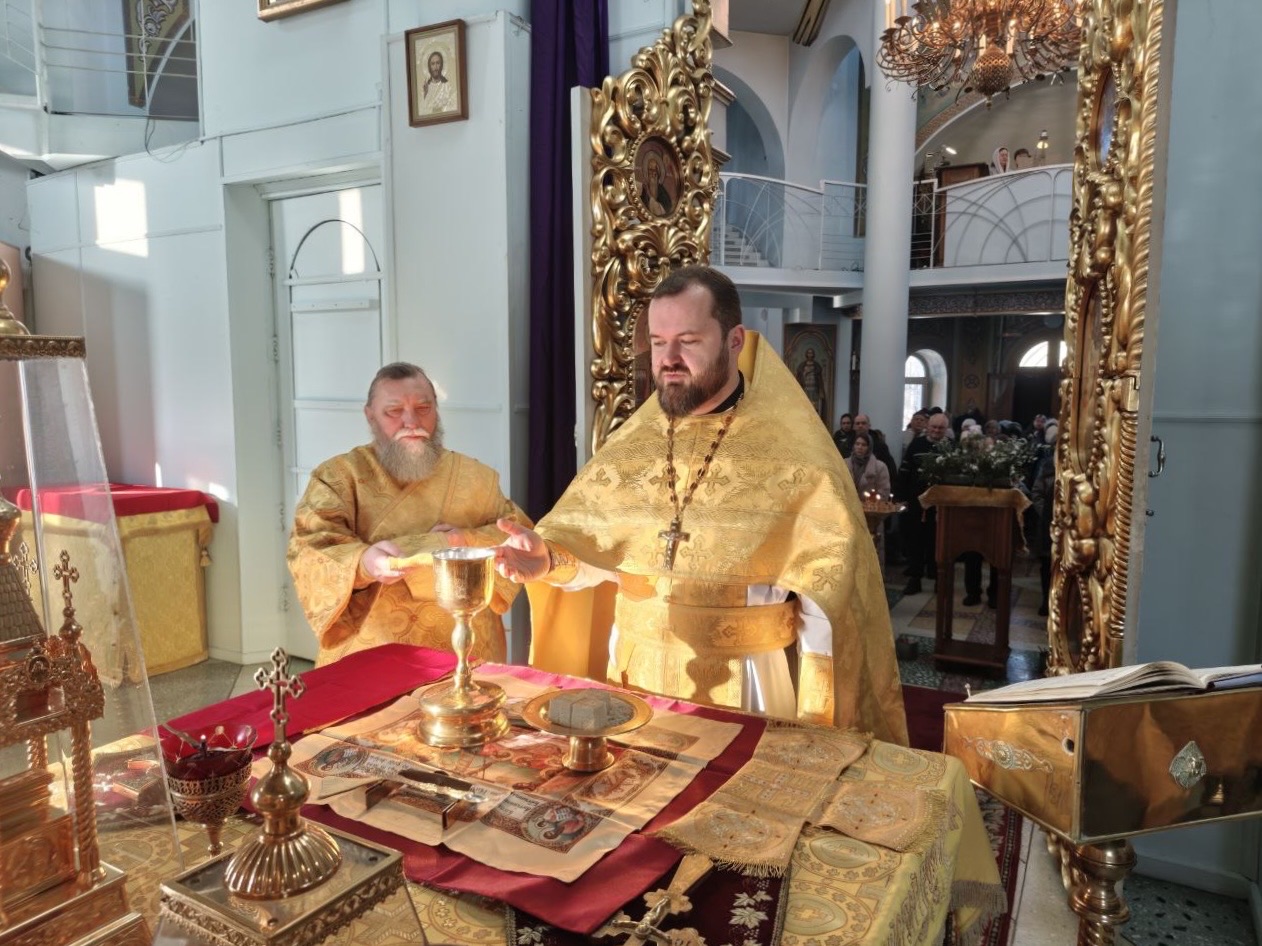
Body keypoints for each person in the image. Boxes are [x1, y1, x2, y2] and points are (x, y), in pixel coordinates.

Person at [494, 265, 908, 745]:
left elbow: (826, 601)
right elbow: (603, 556)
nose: (668, 359)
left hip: (747, 685)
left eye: (687, 341)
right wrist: (548, 559)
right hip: (631, 680)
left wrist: (817, 727)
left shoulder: (797, 457)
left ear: (734, 341)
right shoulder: (631, 447)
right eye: (658, 342)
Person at [288, 362, 531, 666]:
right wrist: (363, 563)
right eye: (394, 411)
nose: (411, 421)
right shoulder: (338, 477)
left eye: (423, 408)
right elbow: (309, 547)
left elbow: (520, 538)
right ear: (370, 415)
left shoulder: (475, 477)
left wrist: (463, 541)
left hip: (465, 646)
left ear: (436, 410)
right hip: (371, 650)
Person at [896, 411, 951, 595]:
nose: (936, 430)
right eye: (934, 427)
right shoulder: (917, 444)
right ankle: (915, 579)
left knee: (938, 542)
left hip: (941, 505)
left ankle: (938, 578)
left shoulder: (951, 447)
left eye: (941, 428)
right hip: (917, 503)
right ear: (928, 426)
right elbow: (905, 470)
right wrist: (901, 497)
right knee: (915, 541)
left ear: (946, 429)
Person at [846, 432, 891, 499]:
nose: (860, 447)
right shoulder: (844, 463)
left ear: (869, 447)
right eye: (857, 444)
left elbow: (884, 491)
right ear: (853, 446)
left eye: (864, 445)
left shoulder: (880, 467)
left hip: (869, 504)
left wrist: (871, 501)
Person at [795, 347, 828, 420]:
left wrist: (821, 391)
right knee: (805, 407)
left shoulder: (816, 366)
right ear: (806, 354)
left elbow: (820, 380)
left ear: (813, 354)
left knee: (814, 407)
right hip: (805, 389)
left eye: (811, 353)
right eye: (809, 353)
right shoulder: (802, 366)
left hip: (814, 390)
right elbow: (799, 378)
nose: (810, 354)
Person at [420, 50, 456, 115]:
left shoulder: (447, 86)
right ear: (429, 67)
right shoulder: (425, 88)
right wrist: (425, 94)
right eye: (433, 64)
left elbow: (452, 107)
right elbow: (422, 111)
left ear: (441, 65)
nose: (435, 67)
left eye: (438, 63)